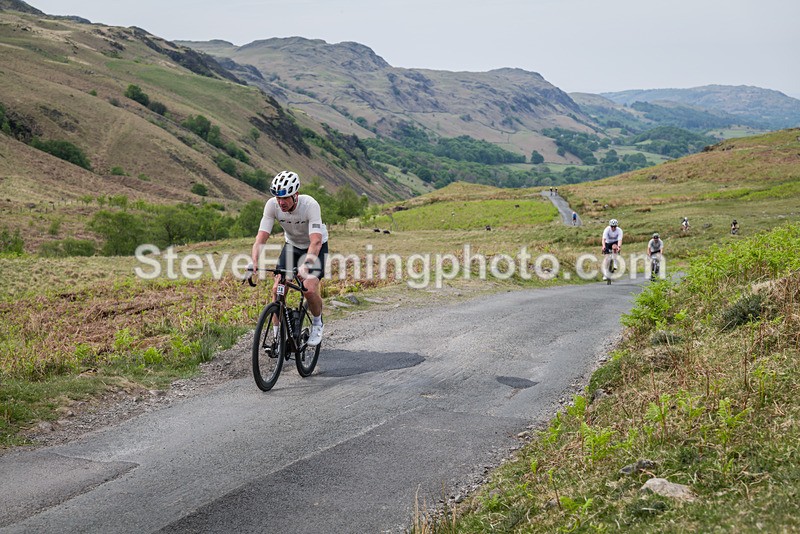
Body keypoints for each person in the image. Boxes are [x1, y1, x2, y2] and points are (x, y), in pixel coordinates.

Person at [250, 171, 328, 346]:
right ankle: (277, 336)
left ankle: (317, 323)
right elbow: (261, 238)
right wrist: (254, 260)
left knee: (308, 288)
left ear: (296, 195)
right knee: (278, 288)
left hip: (315, 247)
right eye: (278, 198)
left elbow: (316, 241)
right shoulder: (272, 206)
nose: (281, 202)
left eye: (285, 198)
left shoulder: (310, 205)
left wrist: (306, 266)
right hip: (292, 246)